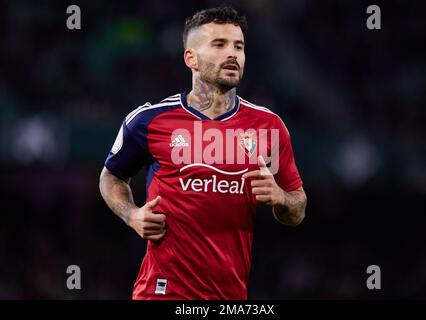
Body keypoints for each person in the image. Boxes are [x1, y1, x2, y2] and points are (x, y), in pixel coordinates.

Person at [99, 6, 307, 300]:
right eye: (219, 45)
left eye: (239, 46)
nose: (232, 54)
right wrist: (132, 215)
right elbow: (111, 177)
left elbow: (297, 210)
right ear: (191, 58)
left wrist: (280, 198)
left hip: (230, 297)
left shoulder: (268, 126)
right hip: (161, 292)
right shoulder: (149, 120)